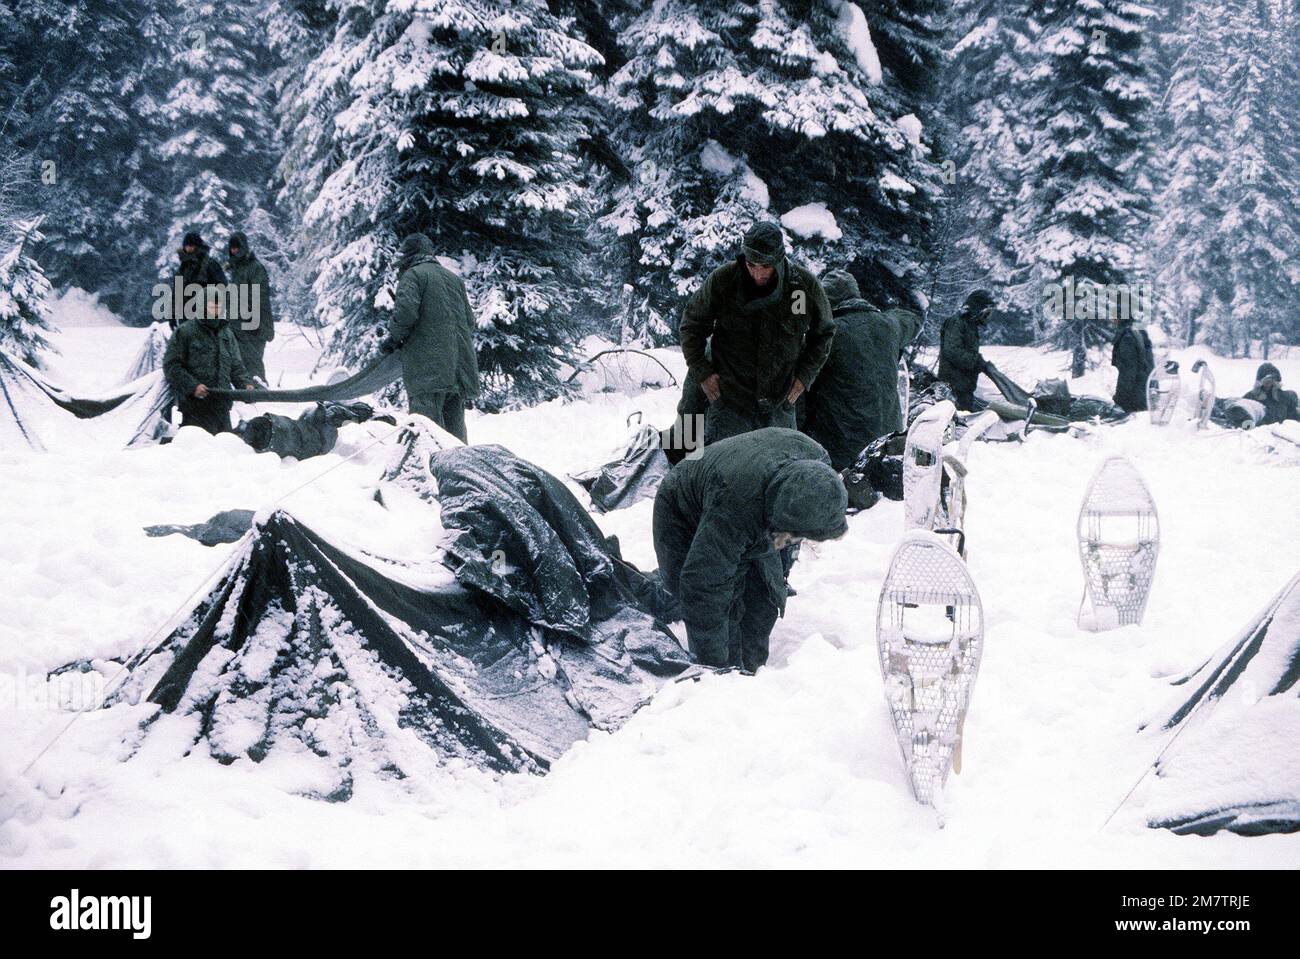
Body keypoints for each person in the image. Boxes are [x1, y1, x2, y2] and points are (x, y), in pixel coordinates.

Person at [652, 427, 848, 672]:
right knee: (707, 592)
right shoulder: (736, 507)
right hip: (681, 508)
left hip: (747, 496)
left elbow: (781, 546)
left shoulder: (817, 464)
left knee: (763, 594)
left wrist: (776, 570)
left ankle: (752, 669)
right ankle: (727, 672)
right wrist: (717, 669)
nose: (796, 539)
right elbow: (703, 588)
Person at [679, 221, 835, 445]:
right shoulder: (724, 280)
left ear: (778, 259)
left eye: (765, 266)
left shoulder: (802, 287)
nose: (757, 273)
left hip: (779, 402)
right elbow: (691, 324)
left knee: (780, 470)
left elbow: (824, 333)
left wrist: (804, 378)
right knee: (726, 471)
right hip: (730, 401)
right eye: (751, 265)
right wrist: (703, 372)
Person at [801, 269, 919, 470]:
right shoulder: (889, 325)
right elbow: (913, 319)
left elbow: (800, 393)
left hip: (842, 452)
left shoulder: (827, 335)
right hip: (888, 444)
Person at [380, 233, 480, 443]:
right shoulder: (453, 279)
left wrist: (393, 339)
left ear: (409, 254)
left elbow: (406, 314)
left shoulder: (413, 276)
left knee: (427, 432)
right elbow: (469, 322)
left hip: (428, 370)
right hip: (457, 369)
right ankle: (460, 473)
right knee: (455, 435)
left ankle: (428, 474)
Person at [163, 291, 255, 435]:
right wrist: (193, 386)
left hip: (222, 407)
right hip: (195, 410)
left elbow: (236, 366)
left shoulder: (226, 334)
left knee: (224, 452)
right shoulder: (186, 332)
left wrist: (245, 384)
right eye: (212, 305)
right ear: (202, 306)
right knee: (198, 453)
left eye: (219, 306)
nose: (217, 309)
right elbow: (172, 366)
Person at [225, 231, 275, 384]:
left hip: (254, 324)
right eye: (232, 248)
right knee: (240, 361)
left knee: (253, 362)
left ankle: (259, 391)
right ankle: (248, 391)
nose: (234, 251)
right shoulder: (237, 269)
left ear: (244, 248)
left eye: (237, 248)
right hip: (239, 323)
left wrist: (253, 319)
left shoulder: (255, 268)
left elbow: (259, 296)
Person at [938, 289, 994, 410]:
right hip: (953, 386)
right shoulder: (956, 322)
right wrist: (975, 361)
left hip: (964, 386)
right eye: (986, 310)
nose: (987, 315)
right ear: (977, 308)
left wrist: (979, 361)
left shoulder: (970, 324)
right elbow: (952, 351)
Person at [171, 232, 227, 331]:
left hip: (206, 318)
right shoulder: (183, 268)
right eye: (187, 246)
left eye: (191, 246)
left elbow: (222, 288)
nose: (189, 249)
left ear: (197, 246)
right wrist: (172, 315)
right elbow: (177, 294)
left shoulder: (209, 265)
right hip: (185, 318)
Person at [1111, 316, 1155, 413]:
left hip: (1135, 403)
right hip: (1145, 395)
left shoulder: (1127, 337)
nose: (1111, 319)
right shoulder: (1138, 329)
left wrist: (1119, 401)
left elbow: (1128, 373)